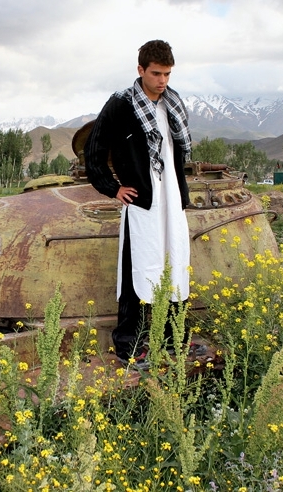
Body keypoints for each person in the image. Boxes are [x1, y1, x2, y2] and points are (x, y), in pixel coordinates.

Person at [84, 39, 192, 363]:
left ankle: (173, 338)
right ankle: (129, 346)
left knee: (175, 267)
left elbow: (177, 154)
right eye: (156, 73)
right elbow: (94, 150)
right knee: (136, 271)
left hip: (171, 198)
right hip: (143, 203)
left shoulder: (172, 103)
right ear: (140, 70)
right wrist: (111, 188)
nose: (162, 81)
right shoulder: (121, 104)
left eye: (168, 74)